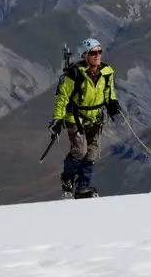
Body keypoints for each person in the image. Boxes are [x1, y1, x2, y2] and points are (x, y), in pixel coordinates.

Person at [51, 38, 121, 199]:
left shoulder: (106, 72)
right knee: (80, 151)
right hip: (76, 118)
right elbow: (63, 97)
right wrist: (57, 119)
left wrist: (113, 105)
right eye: (93, 53)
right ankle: (67, 178)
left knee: (92, 154)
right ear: (85, 55)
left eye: (99, 52)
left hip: (95, 118)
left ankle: (83, 186)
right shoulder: (75, 74)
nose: (97, 56)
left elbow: (109, 93)